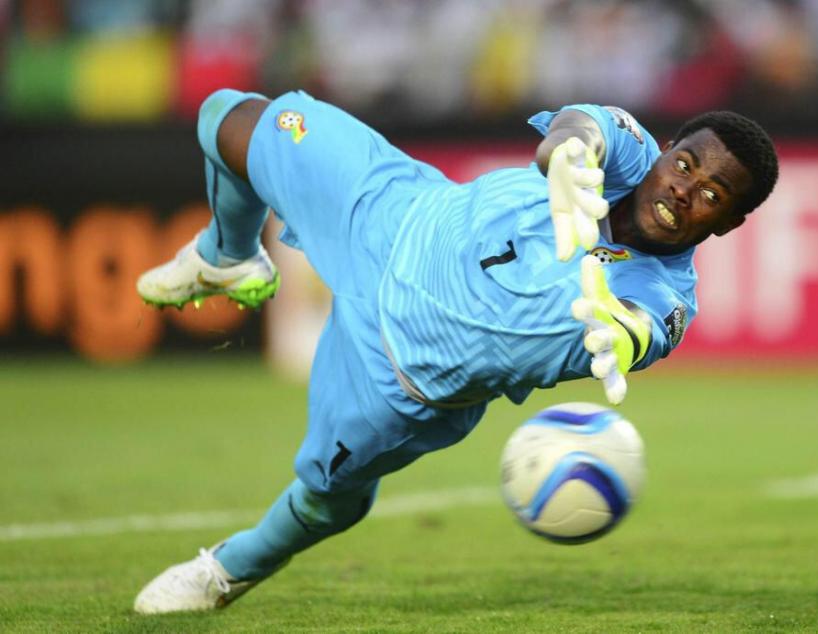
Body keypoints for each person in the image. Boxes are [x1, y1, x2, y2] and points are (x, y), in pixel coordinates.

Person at [133, 89, 778, 613]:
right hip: (393, 208)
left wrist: (623, 334)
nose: (683, 192)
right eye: (686, 166)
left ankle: (224, 570)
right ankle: (227, 255)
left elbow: (640, 328)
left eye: (712, 196)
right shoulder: (627, 151)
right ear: (667, 151)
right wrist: (569, 153)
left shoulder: (662, 297)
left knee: (327, 494)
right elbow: (578, 128)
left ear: (727, 225)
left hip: (395, 372)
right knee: (230, 117)